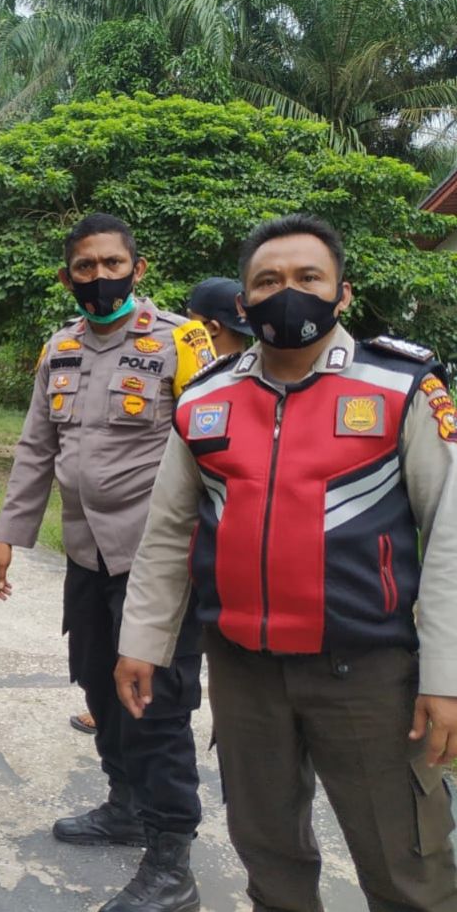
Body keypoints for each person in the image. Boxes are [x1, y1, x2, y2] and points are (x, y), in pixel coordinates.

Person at [117, 214, 457, 912]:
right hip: (242, 670)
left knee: (405, 867)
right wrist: (142, 642)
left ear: (342, 293)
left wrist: (445, 674)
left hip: (367, 672)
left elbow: (449, 531)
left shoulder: (400, 387)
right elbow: (166, 532)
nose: (286, 293)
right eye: (267, 281)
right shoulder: (204, 398)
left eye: (307, 278)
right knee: (268, 856)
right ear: (242, 304)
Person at [0, 213, 215, 912]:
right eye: (83, 267)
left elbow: (215, 447)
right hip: (85, 552)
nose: (98, 276)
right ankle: (124, 804)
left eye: (111, 263)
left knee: (156, 700)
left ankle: (170, 856)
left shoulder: (180, 341)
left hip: (158, 559)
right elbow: (33, 448)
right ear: (67, 277)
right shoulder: (57, 348)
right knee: (93, 679)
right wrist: (7, 536)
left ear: (136, 268)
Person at [186, 276, 252, 358]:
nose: (186, 329)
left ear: (213, 328)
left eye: (191, 323)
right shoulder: (261, 366)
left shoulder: (196, 368)